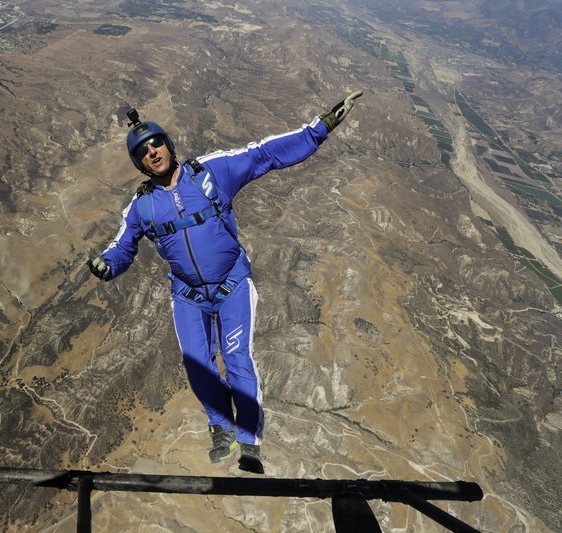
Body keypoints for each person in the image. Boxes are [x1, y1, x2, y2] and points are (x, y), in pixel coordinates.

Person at [87, 91, 363, 474]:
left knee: (237, 361)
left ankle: (249, 442)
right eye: (144, 151)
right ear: (139, 163)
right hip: (187, 295)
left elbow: (263, 155)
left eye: (157, 143)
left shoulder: (211, 173)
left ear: (168, 144)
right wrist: (107, 265)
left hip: (232, 284)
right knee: (198, 364)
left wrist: (320, 128)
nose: (153, 152)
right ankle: (221, 428)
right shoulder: (141, 207)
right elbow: (122, 247)